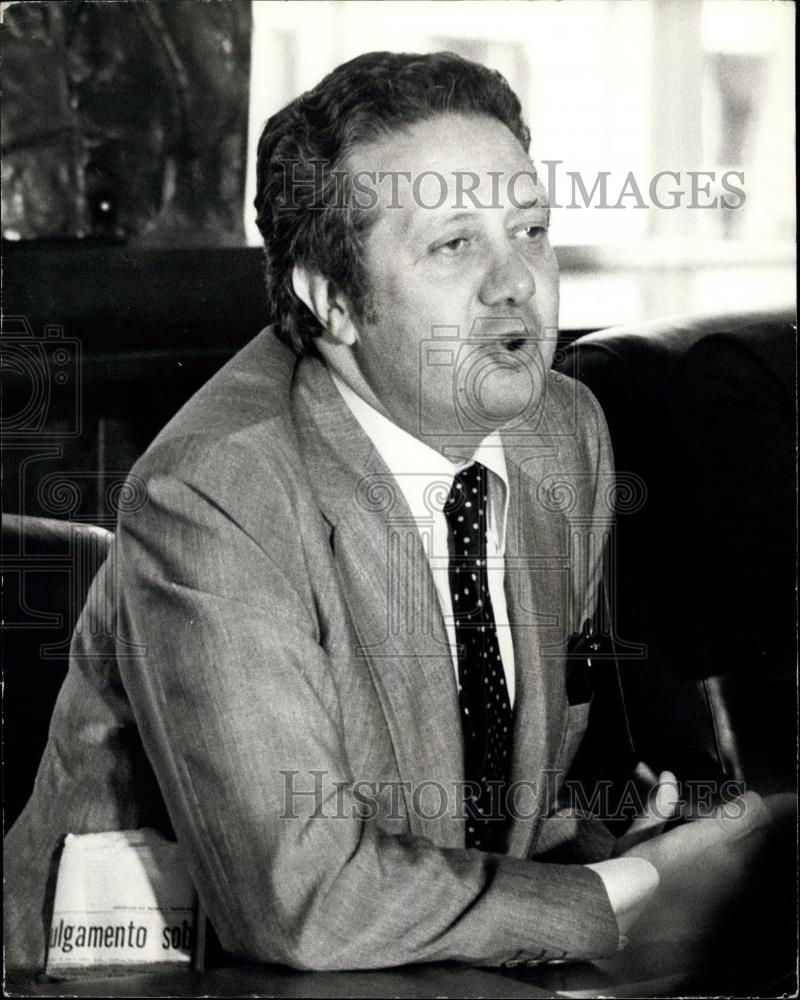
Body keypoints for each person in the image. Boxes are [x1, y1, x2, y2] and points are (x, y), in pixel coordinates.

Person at [3, 51, 772, 972]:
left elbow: (485, 788)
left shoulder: (560, 429)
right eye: (455, 245)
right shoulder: (212, 490)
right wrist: (637, 897)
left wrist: (609, 847)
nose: (516, 281)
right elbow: (303, 900)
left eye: (530, 228)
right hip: (153, 976)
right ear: (331, 299)